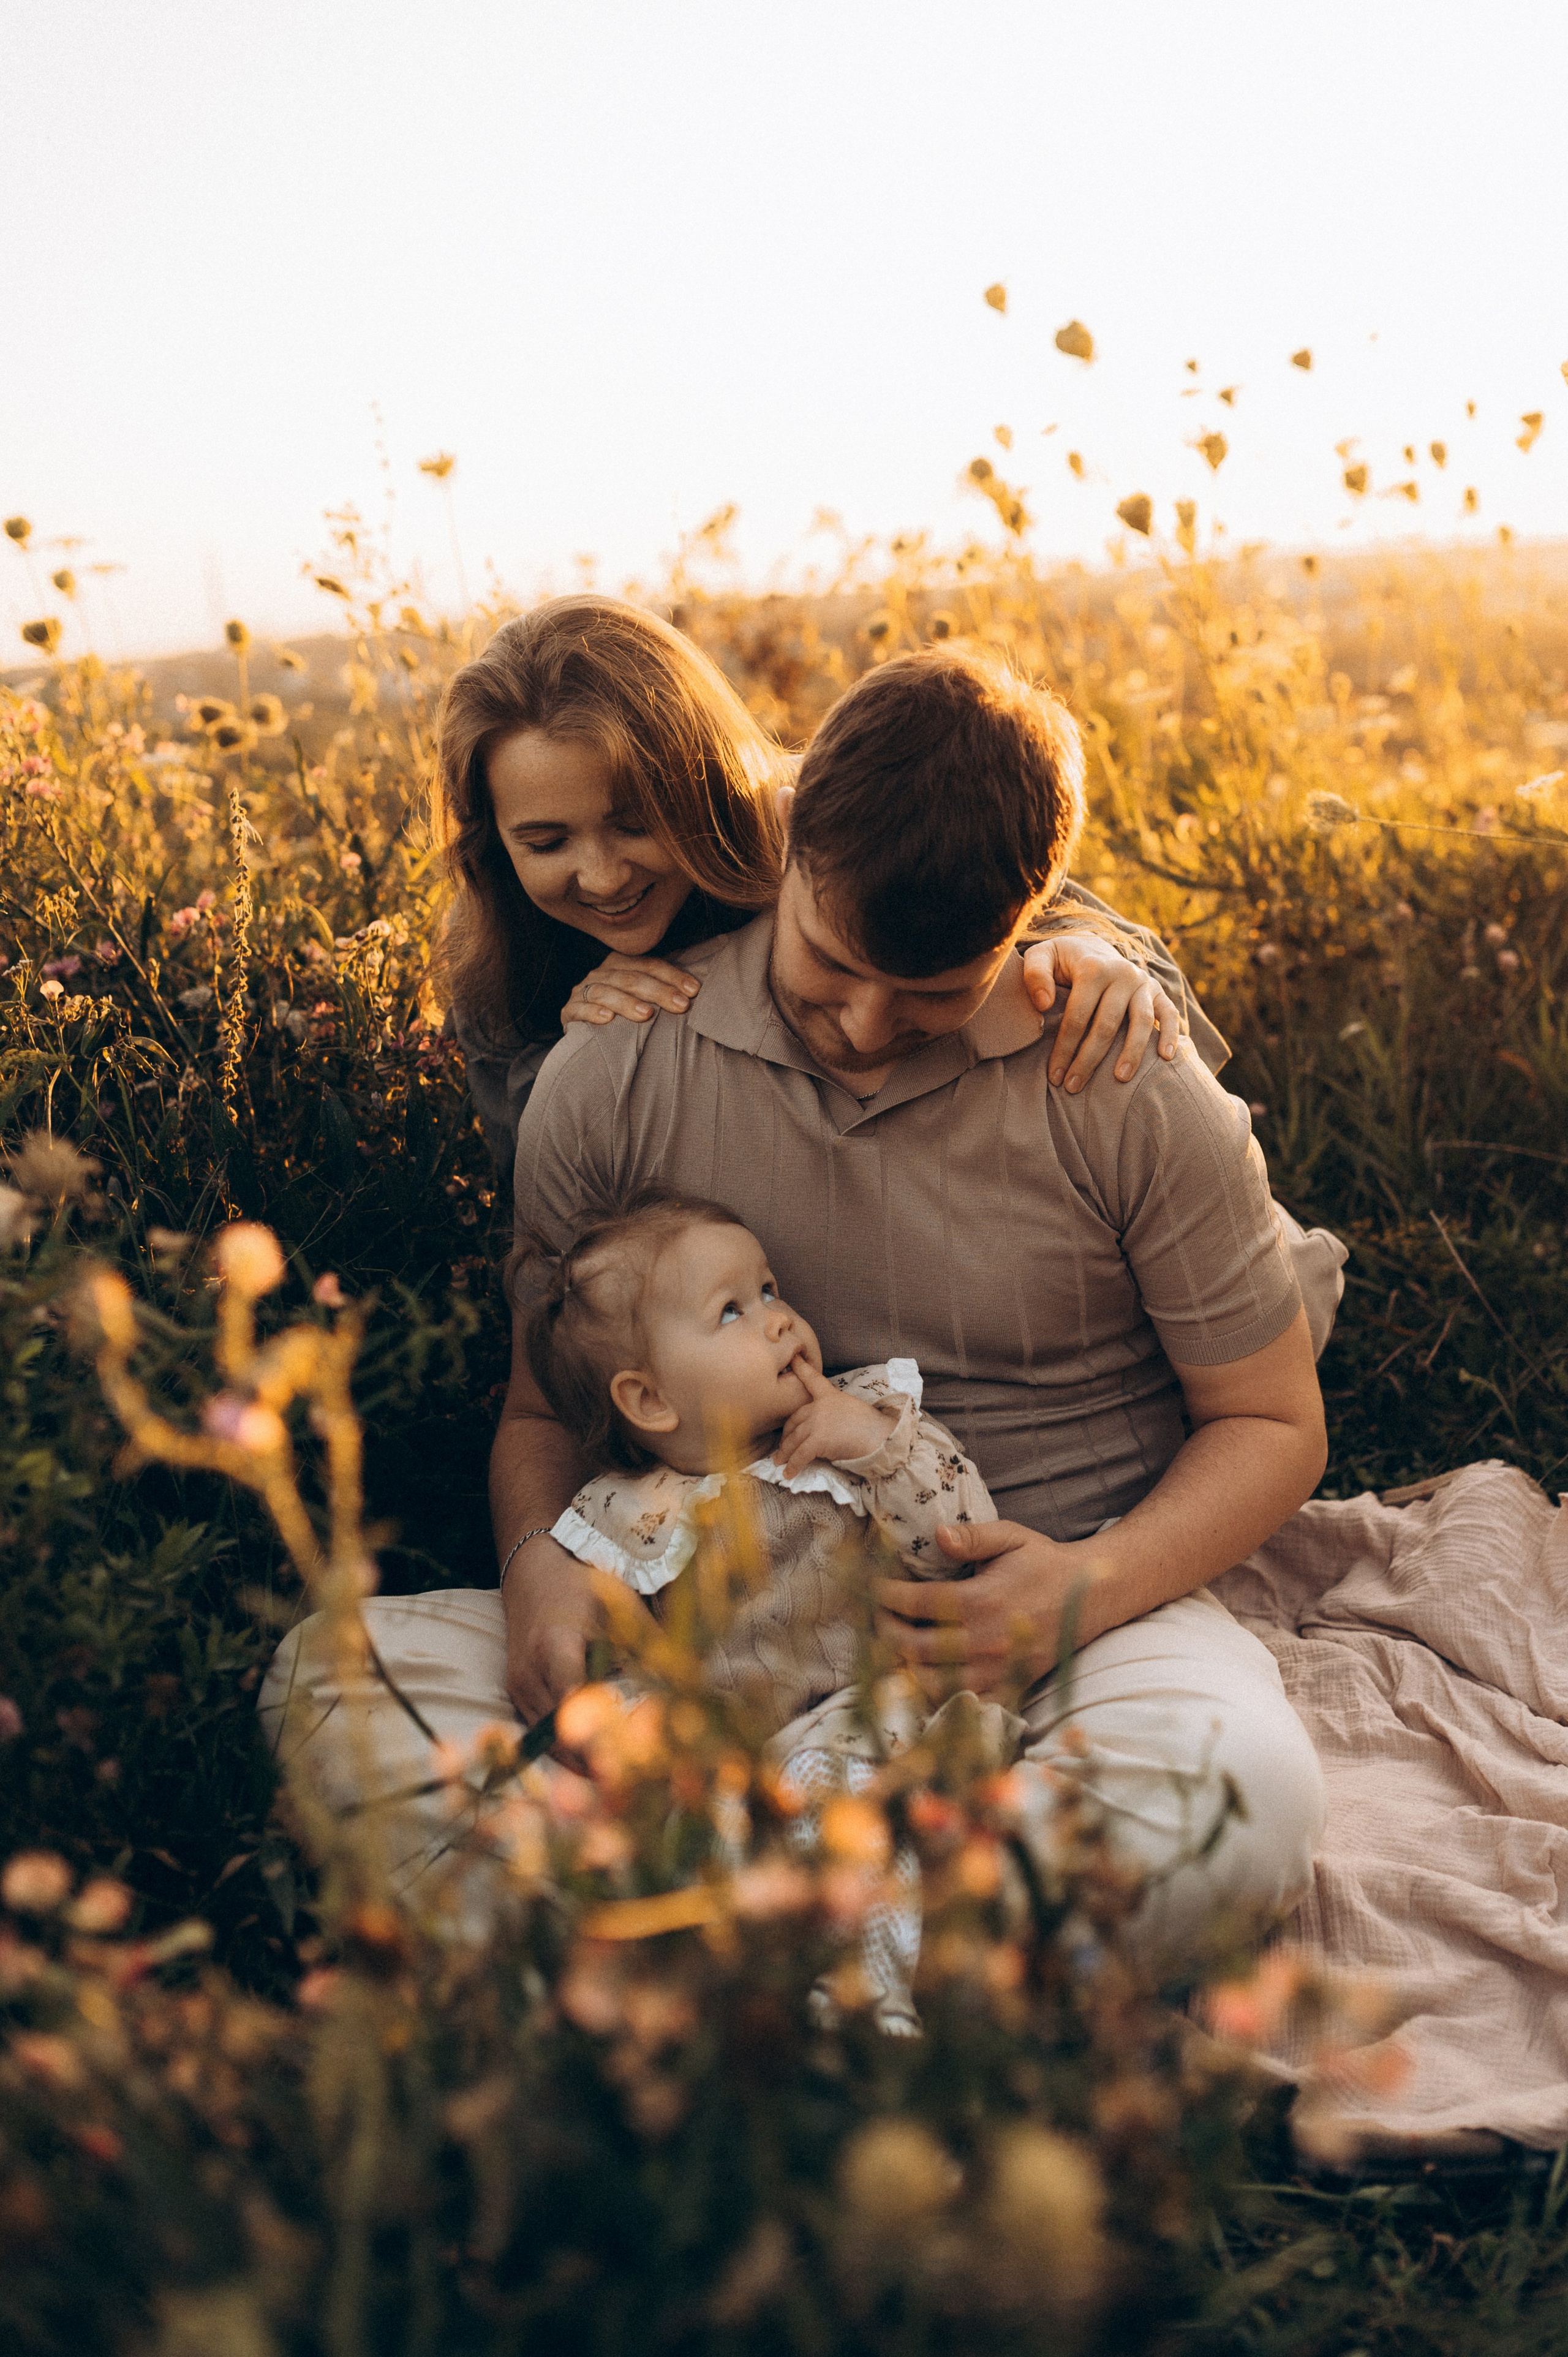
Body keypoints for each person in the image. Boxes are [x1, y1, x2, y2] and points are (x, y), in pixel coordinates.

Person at [494, 643, 1338, 1963]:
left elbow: (1273, 1422)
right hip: (713, 1617)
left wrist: (1081, 1587)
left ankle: (720, 1970)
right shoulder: (609, 1072)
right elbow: (541, 1408)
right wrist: (531, 1566)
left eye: (934, 991)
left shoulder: (1126, 1082)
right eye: (831, 965)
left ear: (1028, 921)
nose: (869, 1026)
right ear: (786, 851)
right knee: (332, 1688)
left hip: (1074, 1602)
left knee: (1241, 1807)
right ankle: (881, 1964)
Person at [435, 594, 1205, 1169]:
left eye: (638, 823)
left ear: (702, 785)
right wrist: (589, 1055)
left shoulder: (818, 823)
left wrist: (1097, 957)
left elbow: (1084, 924)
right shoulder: (494, 962)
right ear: (492, 839)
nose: (602, 875)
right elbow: (545, 1176)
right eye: (544, 841)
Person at [524, 1185, 1008, 2027]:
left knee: (853, 1822)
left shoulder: (859, 1425)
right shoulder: (630, 1509)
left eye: (773, 1291)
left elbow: (964, 1532)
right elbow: (614, 1638)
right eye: (733, 1312)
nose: (779, 1319)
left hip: (852, 1711)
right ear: (649, 1401)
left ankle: (866, 2006)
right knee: (662, 1833)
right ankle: (682, 2010)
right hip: (717, 1738)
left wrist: (871, 1445)